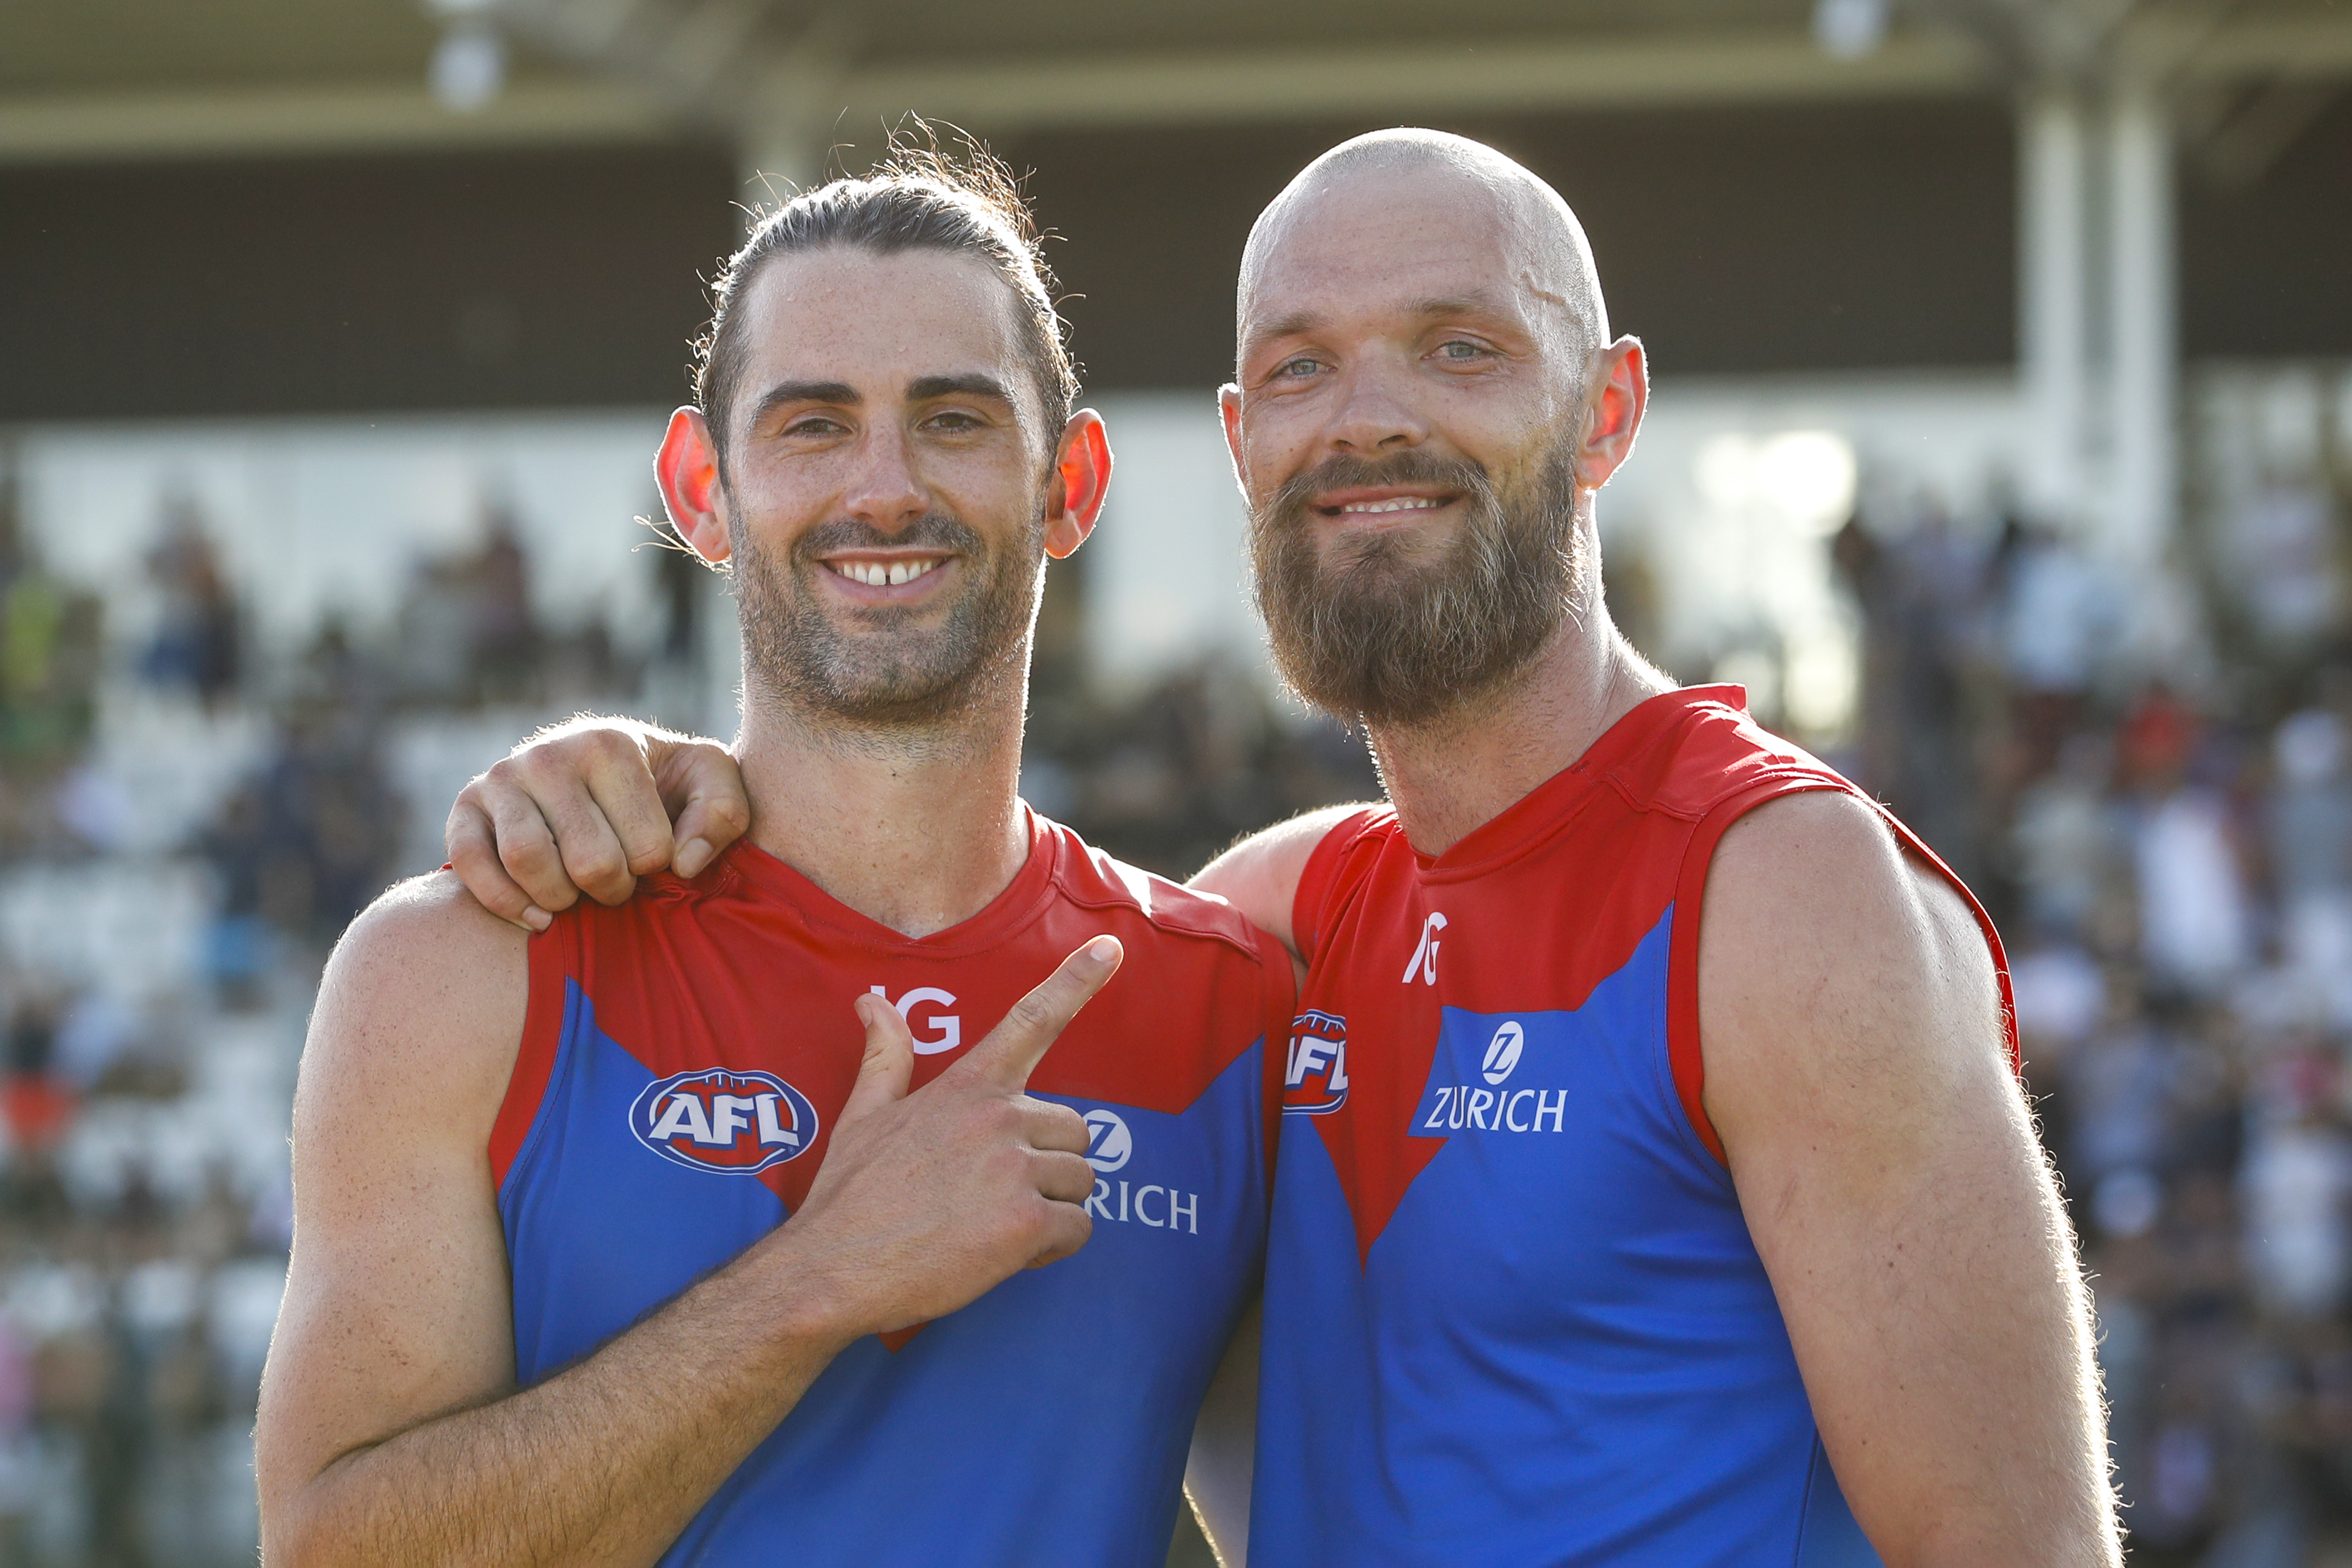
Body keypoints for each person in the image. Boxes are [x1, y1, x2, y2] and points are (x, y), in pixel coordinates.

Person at [448, 132, 2118, 1565]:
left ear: (1605, 413)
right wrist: (637, 776)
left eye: (1458, 346)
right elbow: (930, 877)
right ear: (1244, 438)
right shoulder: (1275, 922)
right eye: (1304, 363)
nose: (1365, 418)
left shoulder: (1779, 891)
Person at [254, 146, 1291, 1567]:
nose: (884, 488)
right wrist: (818, 1279)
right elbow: (332, 1548)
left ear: (1070, 481)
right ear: (702, 487)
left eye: (954, 419)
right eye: (813, 424)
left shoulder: (1235, 1011)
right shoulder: (465, 965)